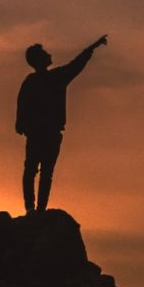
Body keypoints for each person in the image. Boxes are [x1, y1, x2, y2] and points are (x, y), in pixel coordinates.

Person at [16, 35, 108, 214]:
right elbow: (77, 64)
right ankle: (34, 209)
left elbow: (77, 64)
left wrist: (92, 47)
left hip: (44, 132)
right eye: (45, 53)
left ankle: (34, 209)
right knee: (39, 172)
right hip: (43, 132)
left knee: (36, 171)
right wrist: (93, 47)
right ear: (38, 60)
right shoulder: (50, 78)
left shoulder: (41, 80)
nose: (49, 54)